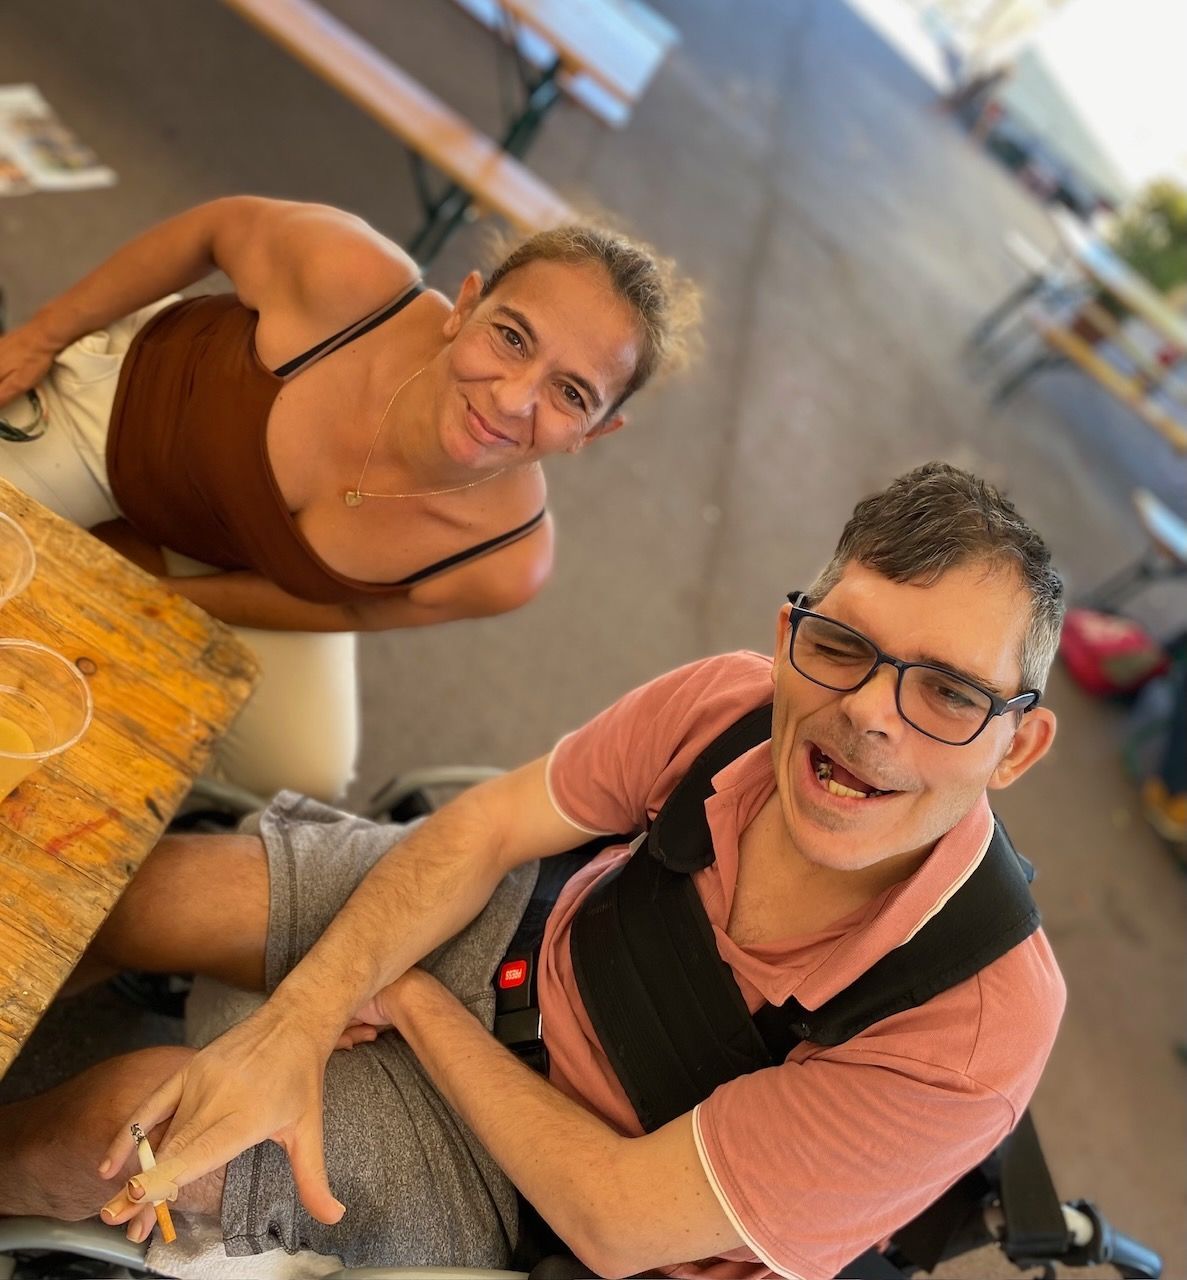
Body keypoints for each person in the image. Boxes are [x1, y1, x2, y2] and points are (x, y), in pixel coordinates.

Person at [0, 463, 1066, 1280]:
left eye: (948, 693)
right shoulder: (727, 706)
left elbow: (614, 1219)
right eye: (839, 645)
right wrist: (301, 1020)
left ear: (1017, 746)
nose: (870, 713)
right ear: (788, 634)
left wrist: (405, 999)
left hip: (532, 1195)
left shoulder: (975, 1030)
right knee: (143, 891)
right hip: (524, 943)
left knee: (123, 1127)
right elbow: (484, 829)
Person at [0, 197, 694, 800]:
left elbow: (353, 607)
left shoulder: (504, 560)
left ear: (593, 433)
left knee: (301, 774)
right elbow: (214, 228)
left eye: (570, 393)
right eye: (511, 337)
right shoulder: (352, 278)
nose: (513, 399)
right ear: (464, 306)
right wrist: (40, 337)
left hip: (232, 563)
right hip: (119, 429)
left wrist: (159, 599)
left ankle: (127, 566)